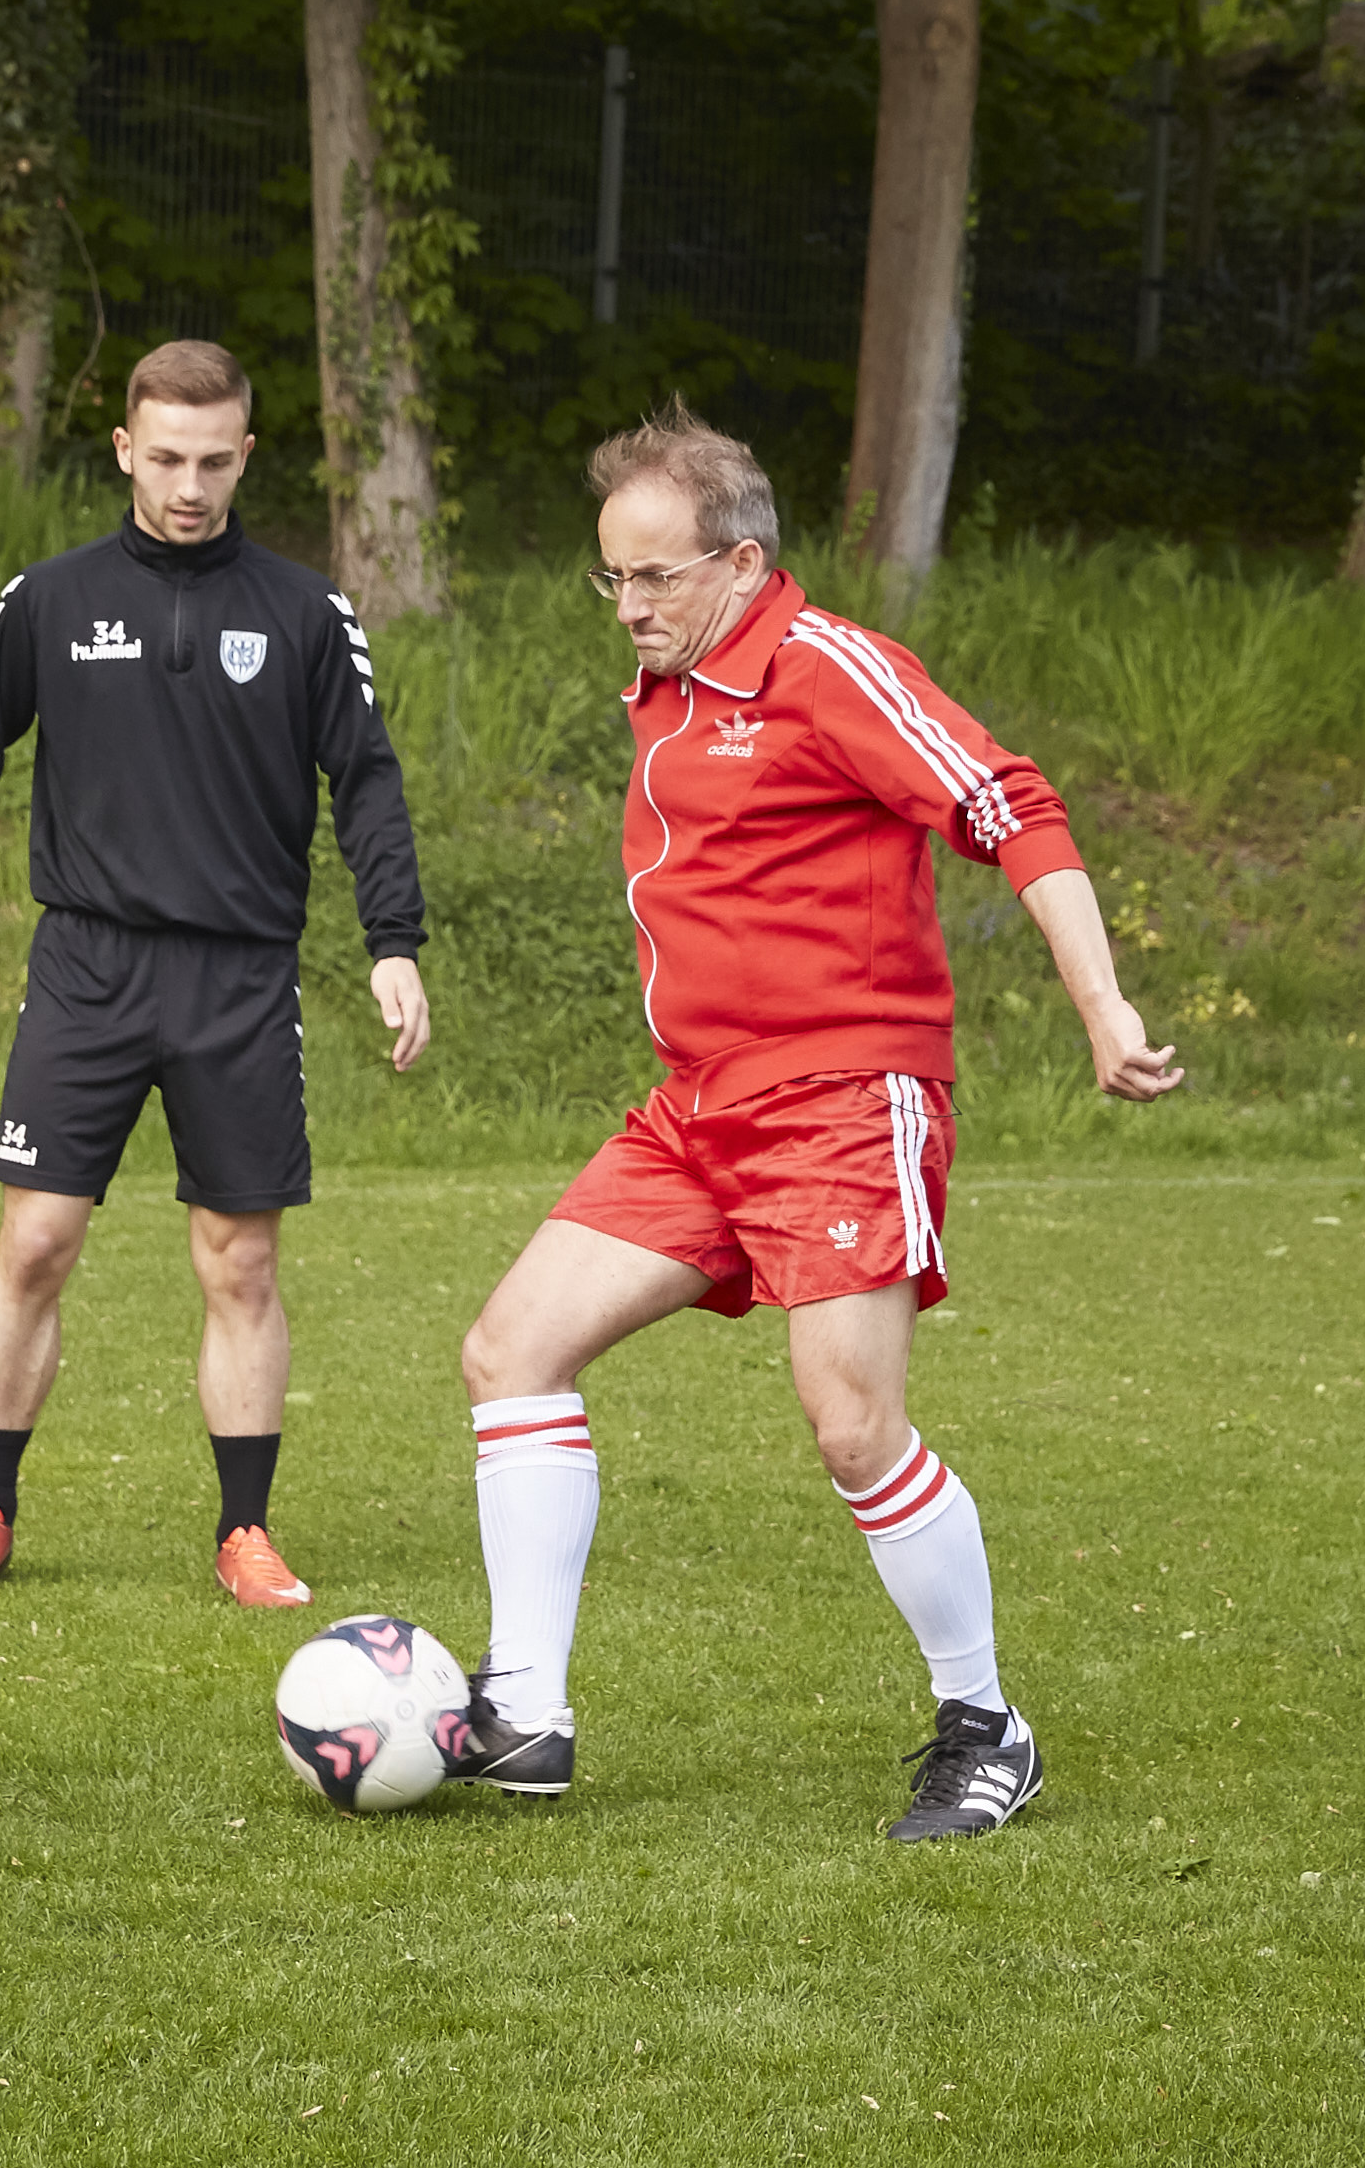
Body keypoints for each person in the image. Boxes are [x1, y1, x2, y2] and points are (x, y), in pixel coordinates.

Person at [440, 406, 1183, 1840]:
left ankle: (986, 1723)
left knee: (853, 1425)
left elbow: (1007, 801)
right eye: (612, 578)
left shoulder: (825, 665)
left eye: (656, 577)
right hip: (698, 1106)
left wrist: (1101, 1008)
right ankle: (526, 1709)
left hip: (843, 1097)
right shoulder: (670, 683)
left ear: (742, 561)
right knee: (512, 1346)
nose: (630, 607)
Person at [0, 339, 431, 1607]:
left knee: (238, 1261)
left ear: (247, 453)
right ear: (126, 450)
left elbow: (369, 783)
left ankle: (245, 1531)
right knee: (36, 1240)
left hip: (239, 979)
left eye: (215, 459)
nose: (190, 484)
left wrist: (392, 943)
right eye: (167, 457)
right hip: (86, 965)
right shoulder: (51, 601)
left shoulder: (303, 613)